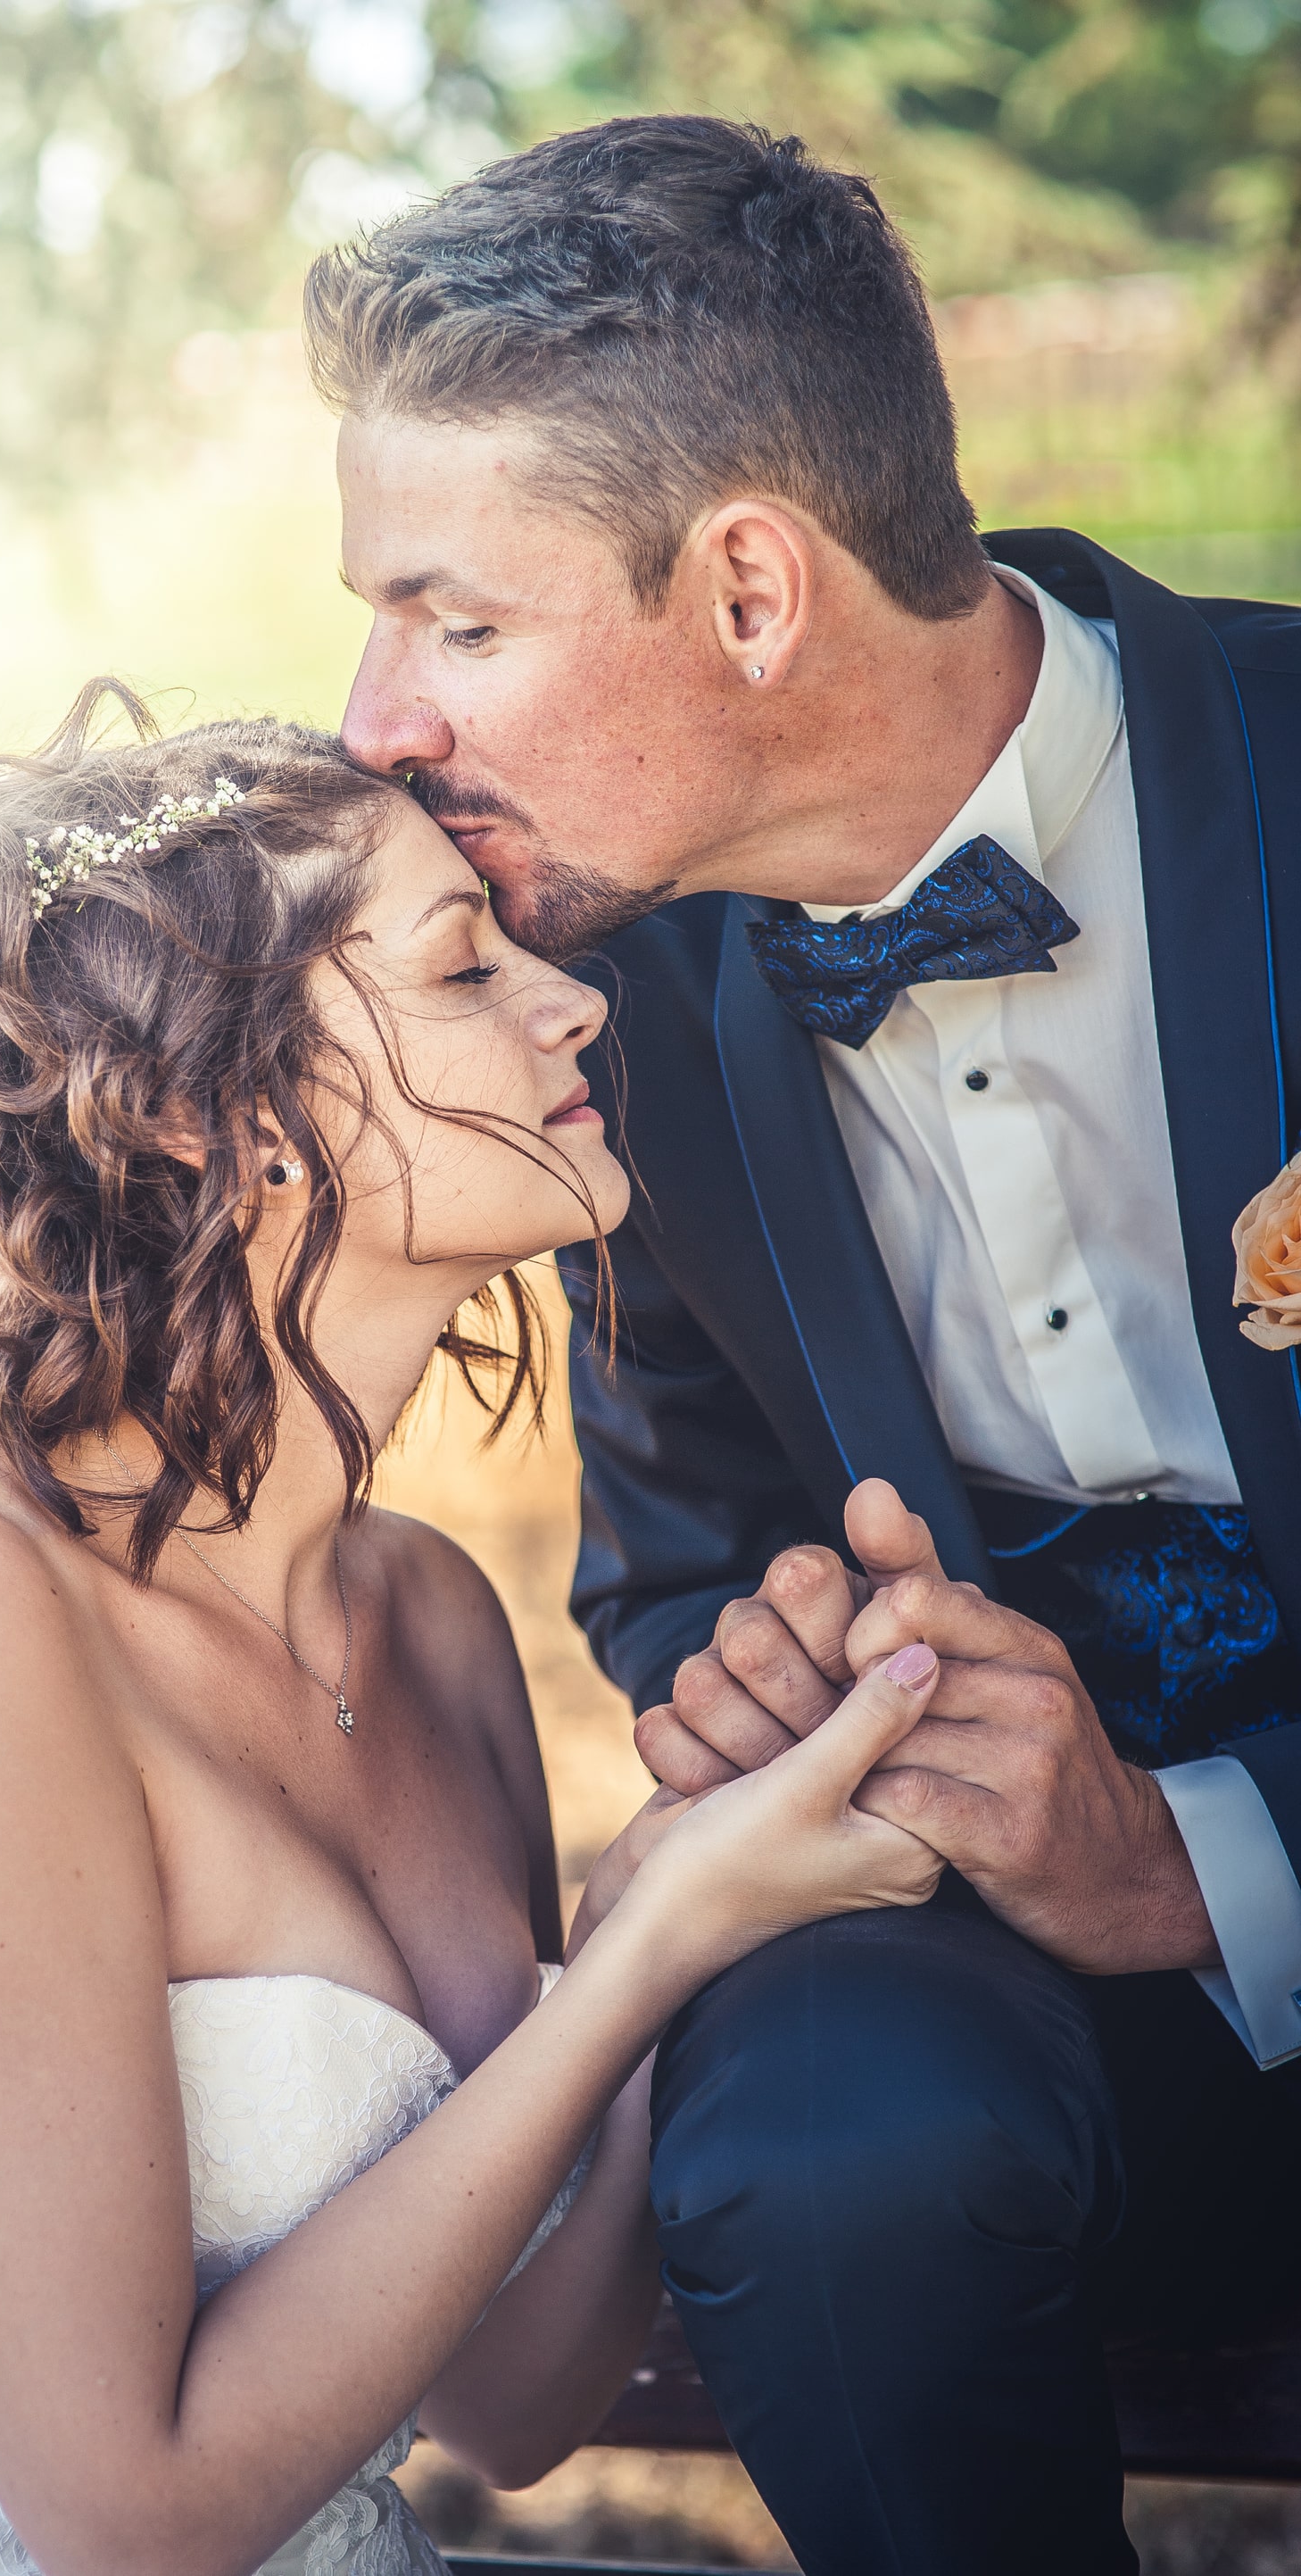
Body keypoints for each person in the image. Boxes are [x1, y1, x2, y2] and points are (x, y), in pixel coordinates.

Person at [0, 684, 946, 2574]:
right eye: (465, 969)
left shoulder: (433, 1627)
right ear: (202, 1115)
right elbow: (125, 2521)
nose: (576, 1004)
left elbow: (516, 2401)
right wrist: (640, 1972)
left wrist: (661, 1921)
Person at [308, 112, 1301, 2576]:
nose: (377, 721)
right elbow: (670, 1560)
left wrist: (1210, 1857)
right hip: (957, 1950)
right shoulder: (591, 1003)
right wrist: (757, 1663)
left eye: (455, 616)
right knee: (825, 2137)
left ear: (750, 585)